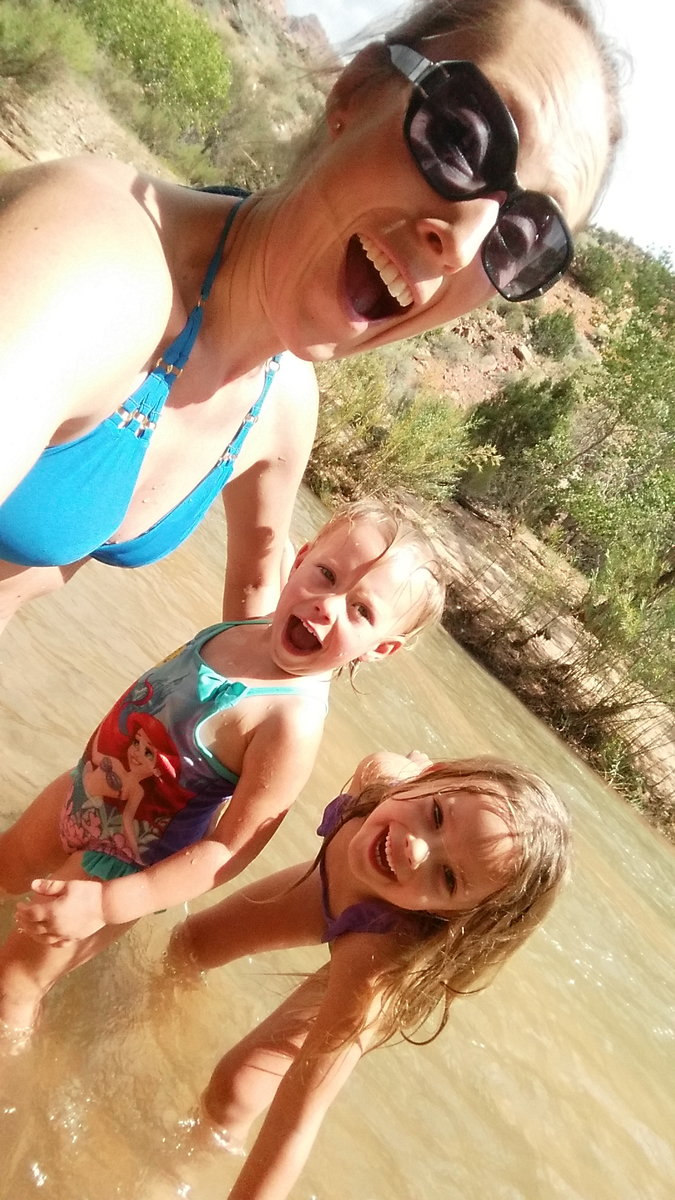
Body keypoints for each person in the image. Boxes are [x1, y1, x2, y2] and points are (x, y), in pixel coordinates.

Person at [0, 0, 622, 635]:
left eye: (520, 237)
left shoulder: (280, 402)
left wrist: (294, 677)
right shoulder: (94, 259)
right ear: (358, 89)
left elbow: (257, 590)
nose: (463, 244)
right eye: (464, 139)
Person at [0, 500, 446, 1035]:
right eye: (326, 574)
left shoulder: (290, 723)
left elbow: (229, 852)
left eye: (361, 611)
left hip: (124, 863)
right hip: (79, 791)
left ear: (382, 648)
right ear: (299, 559)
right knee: (3, 872)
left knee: (14, 984)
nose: (327, 605)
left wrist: (106, 903)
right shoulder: (249, 624)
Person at [161, 747, 570, 1200]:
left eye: (448, 878)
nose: (416, 849)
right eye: (436, 814)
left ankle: (179, 1167)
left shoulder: (372, 975)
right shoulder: (380, 780)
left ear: (452, 915)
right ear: (429, 777)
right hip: (328, 888)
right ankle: (158, 1023)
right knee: (188, 944)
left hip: (374, 940)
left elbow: (295, 1125)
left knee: (236, 1087)